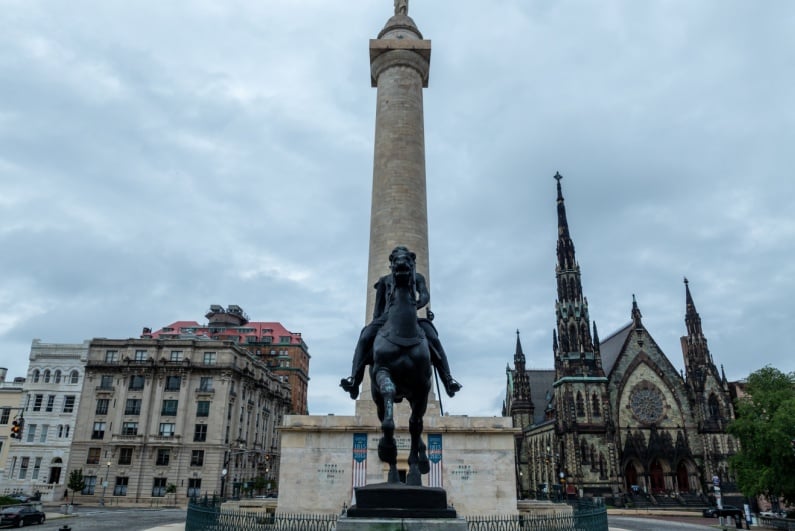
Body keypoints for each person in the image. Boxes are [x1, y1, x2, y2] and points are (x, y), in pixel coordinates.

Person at [340, 246, 461, 399]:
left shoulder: (417, 277)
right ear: (392, 263)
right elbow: (377, 308)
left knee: (434, 339)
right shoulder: (384, 281)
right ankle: (354, 380)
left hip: (411, 317)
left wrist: (416, 305)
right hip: (385, 318)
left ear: (411, 262)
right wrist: (375, 323)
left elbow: (424, 295)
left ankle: (448, 380)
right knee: (364, 337)